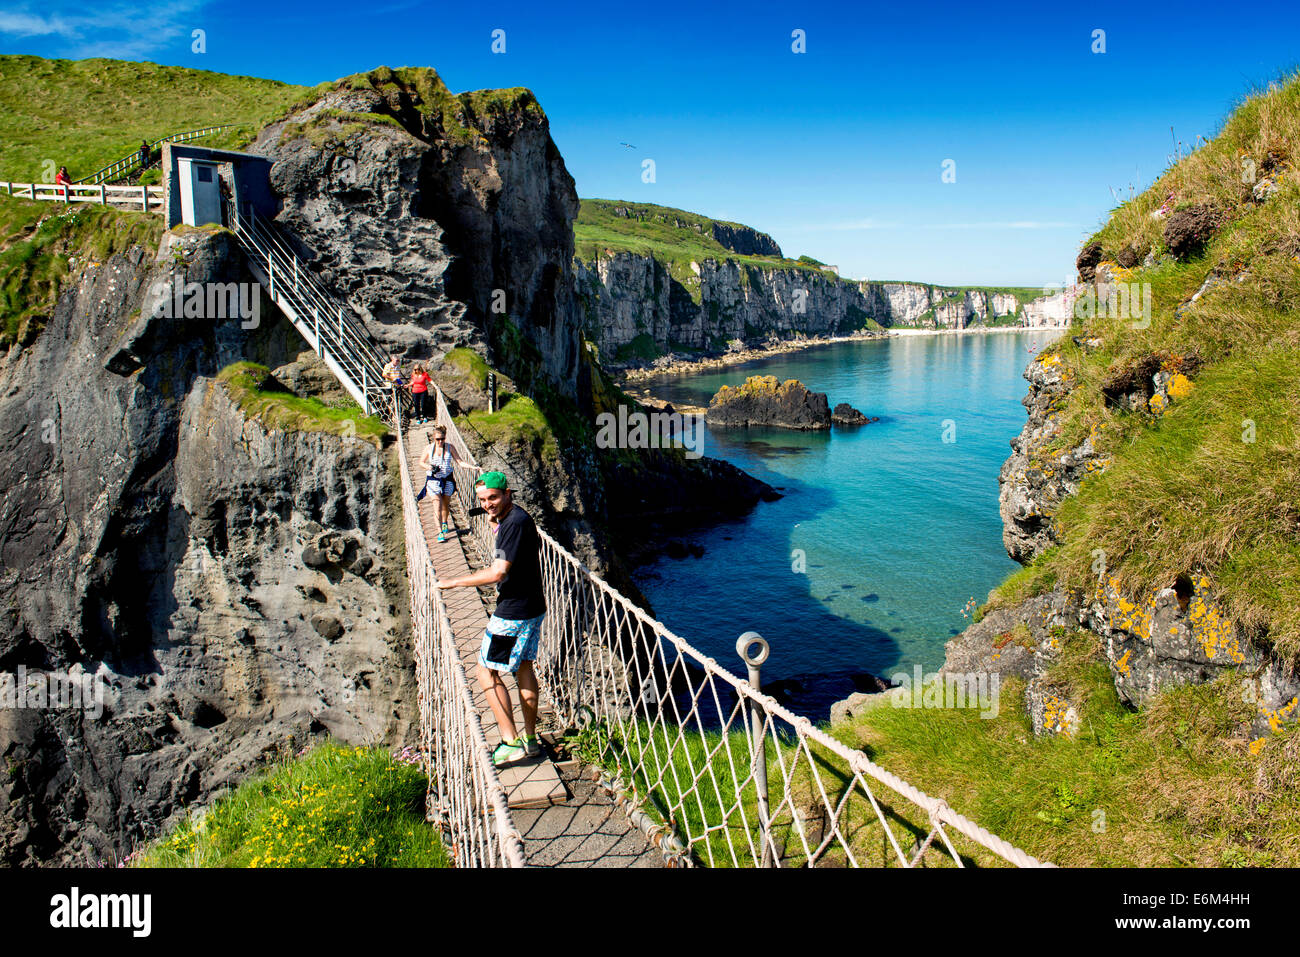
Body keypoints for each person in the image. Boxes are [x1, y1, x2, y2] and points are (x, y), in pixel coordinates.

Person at [435, 471, 547, 767]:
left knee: (485, 672)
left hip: (512, 613)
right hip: (533, 606)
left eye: (494, 498)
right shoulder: (514, 518)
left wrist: (454, 582)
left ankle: (510, 742)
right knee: (524, 667)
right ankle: (531, 740)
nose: (488, 504)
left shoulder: (514, 523)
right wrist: (493, 521)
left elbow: (499, 572)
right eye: (482, 499)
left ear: (508, 493)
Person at [417, 426, 463, 542]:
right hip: (433, 481)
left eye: (442, 438)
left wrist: (474, 467)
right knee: (437, 506)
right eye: (438, 439)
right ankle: (440, 532)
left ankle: (444, 522)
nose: (440, 441)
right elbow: (421, 462)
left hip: (447, 480)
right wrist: (430, 467)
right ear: (433, 438)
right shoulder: (428, 448)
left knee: (445, 505)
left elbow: (460, 462)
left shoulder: (449, 447)